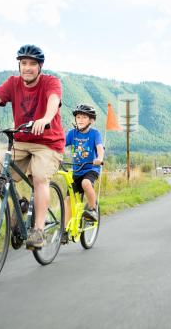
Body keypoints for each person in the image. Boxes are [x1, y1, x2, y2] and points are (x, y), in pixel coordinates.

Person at [0, 44, 64, 249]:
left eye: (32, 64)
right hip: (21, 141)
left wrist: (45, 118)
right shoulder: (13, 83)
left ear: (40, 67)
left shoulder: (50, 82)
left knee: (39, 177)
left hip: (48, 143)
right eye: (24, 63)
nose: (27, 68)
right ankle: (20, 204)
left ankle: (37, 231)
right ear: (19, 65)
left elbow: (53, 101)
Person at [62, 104, 104, 242]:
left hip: (90, 169)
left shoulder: (95, 134)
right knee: (68, 200)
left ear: (91, 120)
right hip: (76, 170)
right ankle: (65, 229)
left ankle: (92, 209)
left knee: (86, 183)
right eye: (78, 117)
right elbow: (61, 145)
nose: (80, 119)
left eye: (84, 117)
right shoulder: (72, 133)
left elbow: (99, 148)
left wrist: (99, 158)